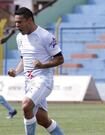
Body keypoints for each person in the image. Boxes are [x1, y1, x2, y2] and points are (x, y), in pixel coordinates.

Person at [8, 7, 64, 135]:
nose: (17, 25)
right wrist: (16, 72)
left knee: (26, 105)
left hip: (44, 81)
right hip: (29, 82)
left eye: (19, 22)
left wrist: (42, 65)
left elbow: (60, 59)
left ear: (29, 20)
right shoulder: (19, 38)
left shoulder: (45, 36)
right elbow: (24, 59)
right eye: (15, 22)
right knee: (42, 120)